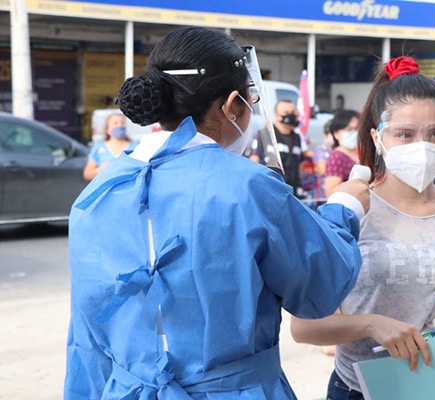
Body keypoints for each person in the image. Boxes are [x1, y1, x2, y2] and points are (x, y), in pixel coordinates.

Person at [64, 27, 370, 400]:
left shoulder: (98, 192)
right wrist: (345, 208)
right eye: (251, 100)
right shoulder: (249, 186)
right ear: (231, 105)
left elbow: (86, 339)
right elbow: (319, 286)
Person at [290, 56, 435, 399]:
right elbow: (303, 326)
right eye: (404, 134)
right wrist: (371, 324)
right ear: (377, 137)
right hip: (364, 389)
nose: (422, 146)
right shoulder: (350, 214)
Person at [250, 100, 310, 199]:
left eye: (292, 112)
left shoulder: (297, 137)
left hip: (292, 190)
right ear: (276, 115)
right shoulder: (265, 134)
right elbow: (254, 160)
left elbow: (299, 165)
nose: (290, 115)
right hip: (271, 189)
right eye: (286, 112)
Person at [82, 113, 137, 181]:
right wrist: (101, 170)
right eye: (115, 123)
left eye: (122, 123)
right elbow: (87, 174)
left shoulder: (135, 147)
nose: (119, 126)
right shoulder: (99, 148)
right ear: (107, 129)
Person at [324, 109, 361, 197]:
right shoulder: (337, 156)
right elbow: (331, 192)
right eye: (349, 129)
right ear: (336, 134)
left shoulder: (359, 154)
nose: (354, 133)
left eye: (357, 129)